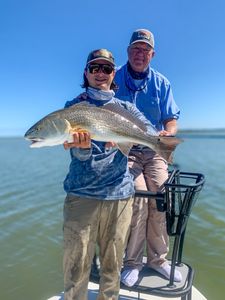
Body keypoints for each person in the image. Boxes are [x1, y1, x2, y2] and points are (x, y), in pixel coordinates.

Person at [62, 48, 152, 300]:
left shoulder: (126, 108)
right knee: (75, 268)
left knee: (112, 269)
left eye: (107, 69)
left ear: (114, 74)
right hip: (82, 196)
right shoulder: (74, 107)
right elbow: (77, 157)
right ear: (86, 73)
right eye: (95, 68)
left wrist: (129, 140)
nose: (100, 73)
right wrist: (82, 149)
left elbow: (146, 131)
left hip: (119, 196)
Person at [114, 29, 182, 287]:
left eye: (145, 50)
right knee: (138, 198)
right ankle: (132, 262)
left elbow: (171, 118)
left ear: (152, 54)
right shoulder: (114, 77)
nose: (140, 54)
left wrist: (169, 133)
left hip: (153, 149)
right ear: (128, 51)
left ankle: (158, 260)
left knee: (160, 196)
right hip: (125, 150)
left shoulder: (162, 83)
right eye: (136, 49)